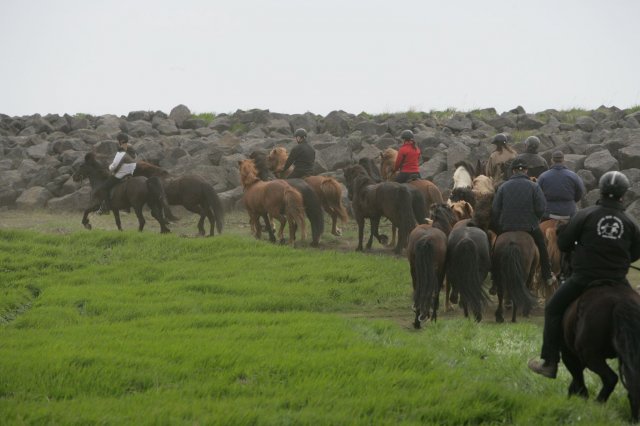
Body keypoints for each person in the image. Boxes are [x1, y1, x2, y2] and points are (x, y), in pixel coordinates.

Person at [528, 171, 640, 378]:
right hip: (618, 280)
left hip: (584, 278)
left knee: (552, 308)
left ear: (602, 190)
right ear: (623, 195)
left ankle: (550, 362)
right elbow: (635, 253)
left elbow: (563, 243)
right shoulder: (631, 222)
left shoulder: (585, 215)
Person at [491, 158, 555, 286]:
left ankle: (494, 278)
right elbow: (541, 208)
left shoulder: (503, 187)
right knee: (542, 246)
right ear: (525, 170)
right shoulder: (534, 186)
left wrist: (499, 225)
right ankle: (547, 275)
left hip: (506, 226)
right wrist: (535, 219)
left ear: (513, 171)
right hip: (529, 226)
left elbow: (495, 209)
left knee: (494, 247)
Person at [537, 150, 586, 220]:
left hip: (548, 214)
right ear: (563, 160)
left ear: (552, 160)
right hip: (569, 213)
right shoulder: (574, 176)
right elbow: (580, 192)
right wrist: (571, 201)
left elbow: (538, 195)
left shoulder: (543, 176)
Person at [96, 133, 137, 214]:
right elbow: (135, 158)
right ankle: (127, 208)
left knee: (104, 187)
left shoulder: (121, 149)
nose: (117, 142)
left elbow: (115, 164)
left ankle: (106, 208)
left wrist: (109, 168)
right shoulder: (131, 147)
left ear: (121, 140)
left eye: (118, 140)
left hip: (122, 173)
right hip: (131, 171)